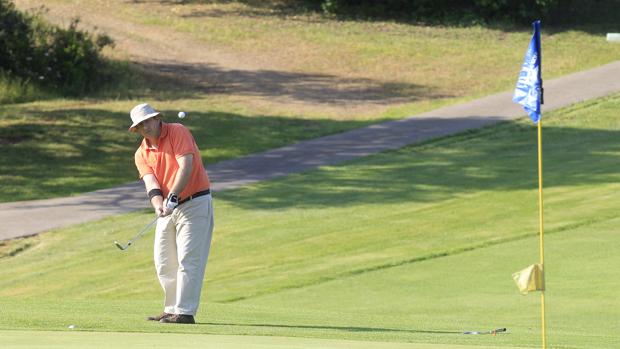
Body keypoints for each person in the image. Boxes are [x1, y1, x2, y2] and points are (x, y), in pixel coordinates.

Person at [129, 103, 214, 324]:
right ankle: (171, 309)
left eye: (148, 120)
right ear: (136, 130)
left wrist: (173, 195)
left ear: (157, 118)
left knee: (188, 259)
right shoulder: (141, 153)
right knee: (164, 261)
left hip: (195, 202)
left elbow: (186, 165)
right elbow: (151, 182)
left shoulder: (178, 131)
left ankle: (185, 312)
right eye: (140, 125)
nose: (145, 126)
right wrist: (158, 204)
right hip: (168, 207)